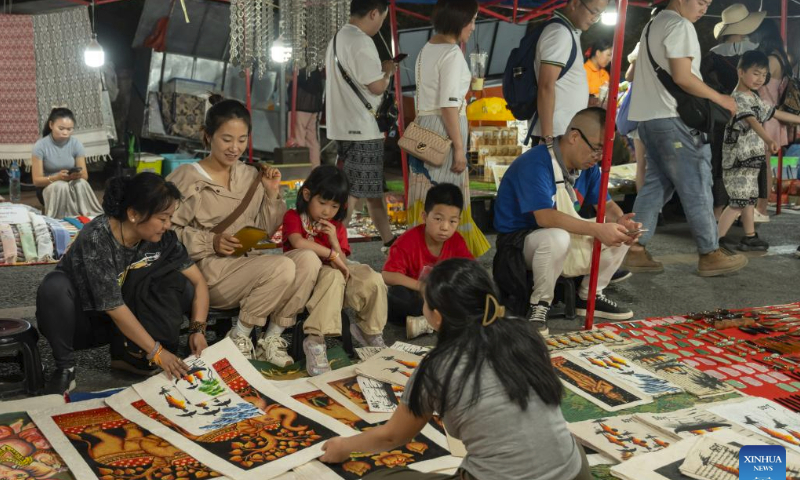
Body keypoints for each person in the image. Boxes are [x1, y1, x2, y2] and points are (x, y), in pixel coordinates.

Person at [319, 258, 592, 480]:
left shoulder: (438, 366)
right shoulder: (525, 333)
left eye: (426, 302)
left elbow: (393, 436)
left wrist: (344, 446)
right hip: (574, 471)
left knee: (382, 478)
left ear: (436, 317)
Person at [168, 97, 321, 364]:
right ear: (208, 136)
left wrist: (272, 194)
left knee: (307, 259)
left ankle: (272, 337)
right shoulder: (186, 177)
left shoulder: (250, 175)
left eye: (242, 139)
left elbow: (263, 229)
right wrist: (210, 242)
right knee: (281, 267)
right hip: (207, 273)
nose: (235, 148)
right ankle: (239, 336)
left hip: (245, 264)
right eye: (227, 139)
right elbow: (165, 233)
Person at [35, 173, 209, 394]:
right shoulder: (98, 238)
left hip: (121, 321)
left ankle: (128, 355)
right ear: (134, 214)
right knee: (55, 286)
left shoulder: (162, 239)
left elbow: (199, 282)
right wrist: (157, 352)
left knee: (180, 283)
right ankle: (65, 367)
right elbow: (113, 307)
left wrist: (198, 329)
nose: (168, 225)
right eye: (162, 218)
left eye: (170, 218)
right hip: (82, 322)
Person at [623, 0, 748, 277]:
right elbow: (682, 77)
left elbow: (630, 73)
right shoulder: (679, 25)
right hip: (672, 119)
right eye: (700, 1)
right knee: (697, 183)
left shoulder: (653, 25)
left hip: (649, 120)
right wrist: (720, 98)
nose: (704, 7)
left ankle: (634, 249)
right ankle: (709, 253)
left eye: (708, 3)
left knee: (655, 187)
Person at [493, 108, 635, 335]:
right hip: (518, 245)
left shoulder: (589, 168)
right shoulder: (535, 163)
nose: (598, 157)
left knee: (621, 232)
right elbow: (545, 217)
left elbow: (606, 205)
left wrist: (622, 220)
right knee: (556, 236)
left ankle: (589, 295)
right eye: (597, 149)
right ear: (574, 137)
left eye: (603, 152)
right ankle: (539, 305)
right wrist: (597, 229)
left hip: (563, 237)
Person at [282, 165, 387, 375]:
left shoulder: (336, 227)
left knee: (372, 277)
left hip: (338, 278)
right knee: (331, 275)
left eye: (334, 206)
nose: (327, 211)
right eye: (322, 203)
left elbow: (344, 261)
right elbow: (297, 242)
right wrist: (330, 254)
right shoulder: (294, 217)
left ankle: (370, 331)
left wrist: (334, 243)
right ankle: (315, 341)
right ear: (307, 194)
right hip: (306, 279)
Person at [405, 0, 490, 258]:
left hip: (424, 128)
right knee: (447, 199)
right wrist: (460, 149)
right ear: (459, 20)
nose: (473, 27)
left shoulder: (428, 47)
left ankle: (419, 254)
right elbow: (449, 106)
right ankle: (447, 258)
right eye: (472, 20)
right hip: (444, 130)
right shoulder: (452, 54)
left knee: (426, 195)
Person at [325, 0, 396, 250]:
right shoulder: (361, 41)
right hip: (362, 128)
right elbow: (376, 86)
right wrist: (387, 72)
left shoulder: (337, 38)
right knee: (352, 193)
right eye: (382, 19)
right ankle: (332, 248)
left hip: (343, 126)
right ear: (374, 13)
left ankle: (389, 240)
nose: (380, 24)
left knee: (370, 188)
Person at [718, 51, 800, 252]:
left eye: (764, 75)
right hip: (739, 160)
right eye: (755, 73)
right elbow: (751, 120)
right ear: (740, 72)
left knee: (747, 200)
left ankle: (750, 236)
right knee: (738, 202)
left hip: (750, 160)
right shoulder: (738, 98)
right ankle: (713, 241)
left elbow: (774, 113)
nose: (760, 79)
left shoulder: (753, 97)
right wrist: (768, 138)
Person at [383, 183, 473, 339]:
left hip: (442, 296)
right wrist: (422, 287)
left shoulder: (457, 241)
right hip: (416, 297)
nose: (445, 227)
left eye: (452, 221)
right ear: (424, 216)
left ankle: (427, 323)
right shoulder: (407, 242)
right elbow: (387, 275)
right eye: (438, 219)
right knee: (396, 297)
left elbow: (471, 270)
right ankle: (442, 321)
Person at [700, 4, 764, 219]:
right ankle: (744, 217)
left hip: (722, 116)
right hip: (749, 114)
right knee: (748, 164)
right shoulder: (755, 52)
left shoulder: (711, 56)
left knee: (721, 164)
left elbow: (706, 85)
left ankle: (717, 215)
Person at [533, 0, 608, 143]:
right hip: (555, 134)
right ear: (575, 3)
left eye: (599, 15)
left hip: (562, 131)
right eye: (593, 11)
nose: (595, 19)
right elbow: (546, 86)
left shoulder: (569, 32)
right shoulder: (560, 33)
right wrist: (547, 139)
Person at [31, 108, 103, 219]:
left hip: (71, 184)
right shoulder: (40, 146)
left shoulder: (76, 144)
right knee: (61, 186)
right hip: (49, 188)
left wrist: (74, 176)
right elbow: (37, 181)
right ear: (51, 125)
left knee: (81, 183)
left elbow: (84, 176)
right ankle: (61, 219)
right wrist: (57, 178)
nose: (65, 132)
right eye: (61, 128)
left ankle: (89, 217)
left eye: (69, 129)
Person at [756, 19, 793, 219]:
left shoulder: (771, 59)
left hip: (766, 117)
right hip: (772, 117)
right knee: (765, 165)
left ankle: (760, 208)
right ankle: (761, 207)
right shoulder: (782, 57)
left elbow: (760, 88)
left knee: (762, 167)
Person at [288, 68, 324, 168]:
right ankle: (315, 171)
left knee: (297, 139)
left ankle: (300, 172)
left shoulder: (298, 60)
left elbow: (295, 77)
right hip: (315, 100)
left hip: (299, 101)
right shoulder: (317, 57)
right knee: (312, 140)